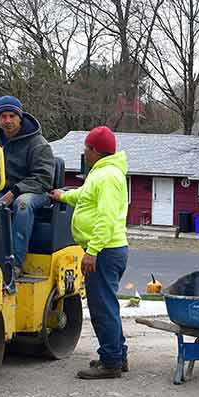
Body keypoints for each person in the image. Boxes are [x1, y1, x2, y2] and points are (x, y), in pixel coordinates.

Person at [50, 126, 130, 380]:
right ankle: (117, 355)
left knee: (102, 308)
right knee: (107, 305)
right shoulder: (103, 173)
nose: (84, 152)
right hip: (107, 250)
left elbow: (106, 218)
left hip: (104, 252)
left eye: (86, 148)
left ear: (95, 150)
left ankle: (111, 363)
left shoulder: (107, 177)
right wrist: (63, 196)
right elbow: (85, 197)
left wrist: (92, 251)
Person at [0, 96, 59, 268]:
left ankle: (15, 263)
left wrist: (15, 192)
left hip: (35, 191)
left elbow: (44, 179)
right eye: (3, 116)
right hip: (0, 188)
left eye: (12, 116)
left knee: (23, 205)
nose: (8, 121)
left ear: (20, 117)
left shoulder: (38, 144)